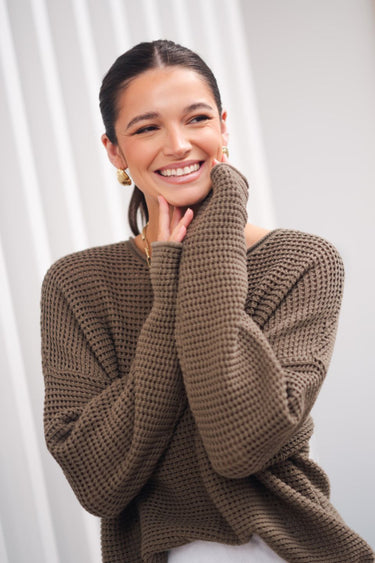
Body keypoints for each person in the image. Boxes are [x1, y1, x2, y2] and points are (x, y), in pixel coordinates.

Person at [40, 40, 374, 563]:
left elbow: (241, 439)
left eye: (196, 119)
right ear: (114, 151)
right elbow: (98, 480)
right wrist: (168, 277)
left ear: (223, 127)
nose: (177, 144)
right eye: (147, 127)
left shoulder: (304, 262)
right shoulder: (78, 283)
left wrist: (214, 234)